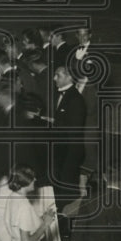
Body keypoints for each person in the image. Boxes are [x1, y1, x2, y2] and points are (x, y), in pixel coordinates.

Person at [51, 64, 87, 210]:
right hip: (61, 150)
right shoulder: (59, 95)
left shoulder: (76, 99)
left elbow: (73, 130)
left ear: (69, 77)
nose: (54, 78)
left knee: (66, 191)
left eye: (58, 75)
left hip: (69, 151)